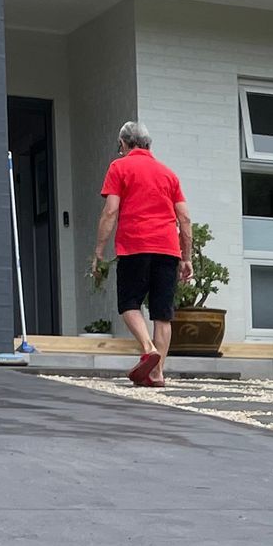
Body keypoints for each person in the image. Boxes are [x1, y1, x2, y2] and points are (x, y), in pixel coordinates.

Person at [91, 122, 192, 387]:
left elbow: (110, 211)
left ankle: (148, 348)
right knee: (162, 313)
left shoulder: (119, 167)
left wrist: (99, 251)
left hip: (135, 246)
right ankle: (158, 373)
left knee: (128, 303)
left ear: (123, 144)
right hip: (168, 248)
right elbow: (185, 219)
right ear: (149, 145)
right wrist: (187, 257)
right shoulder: (168, 174)